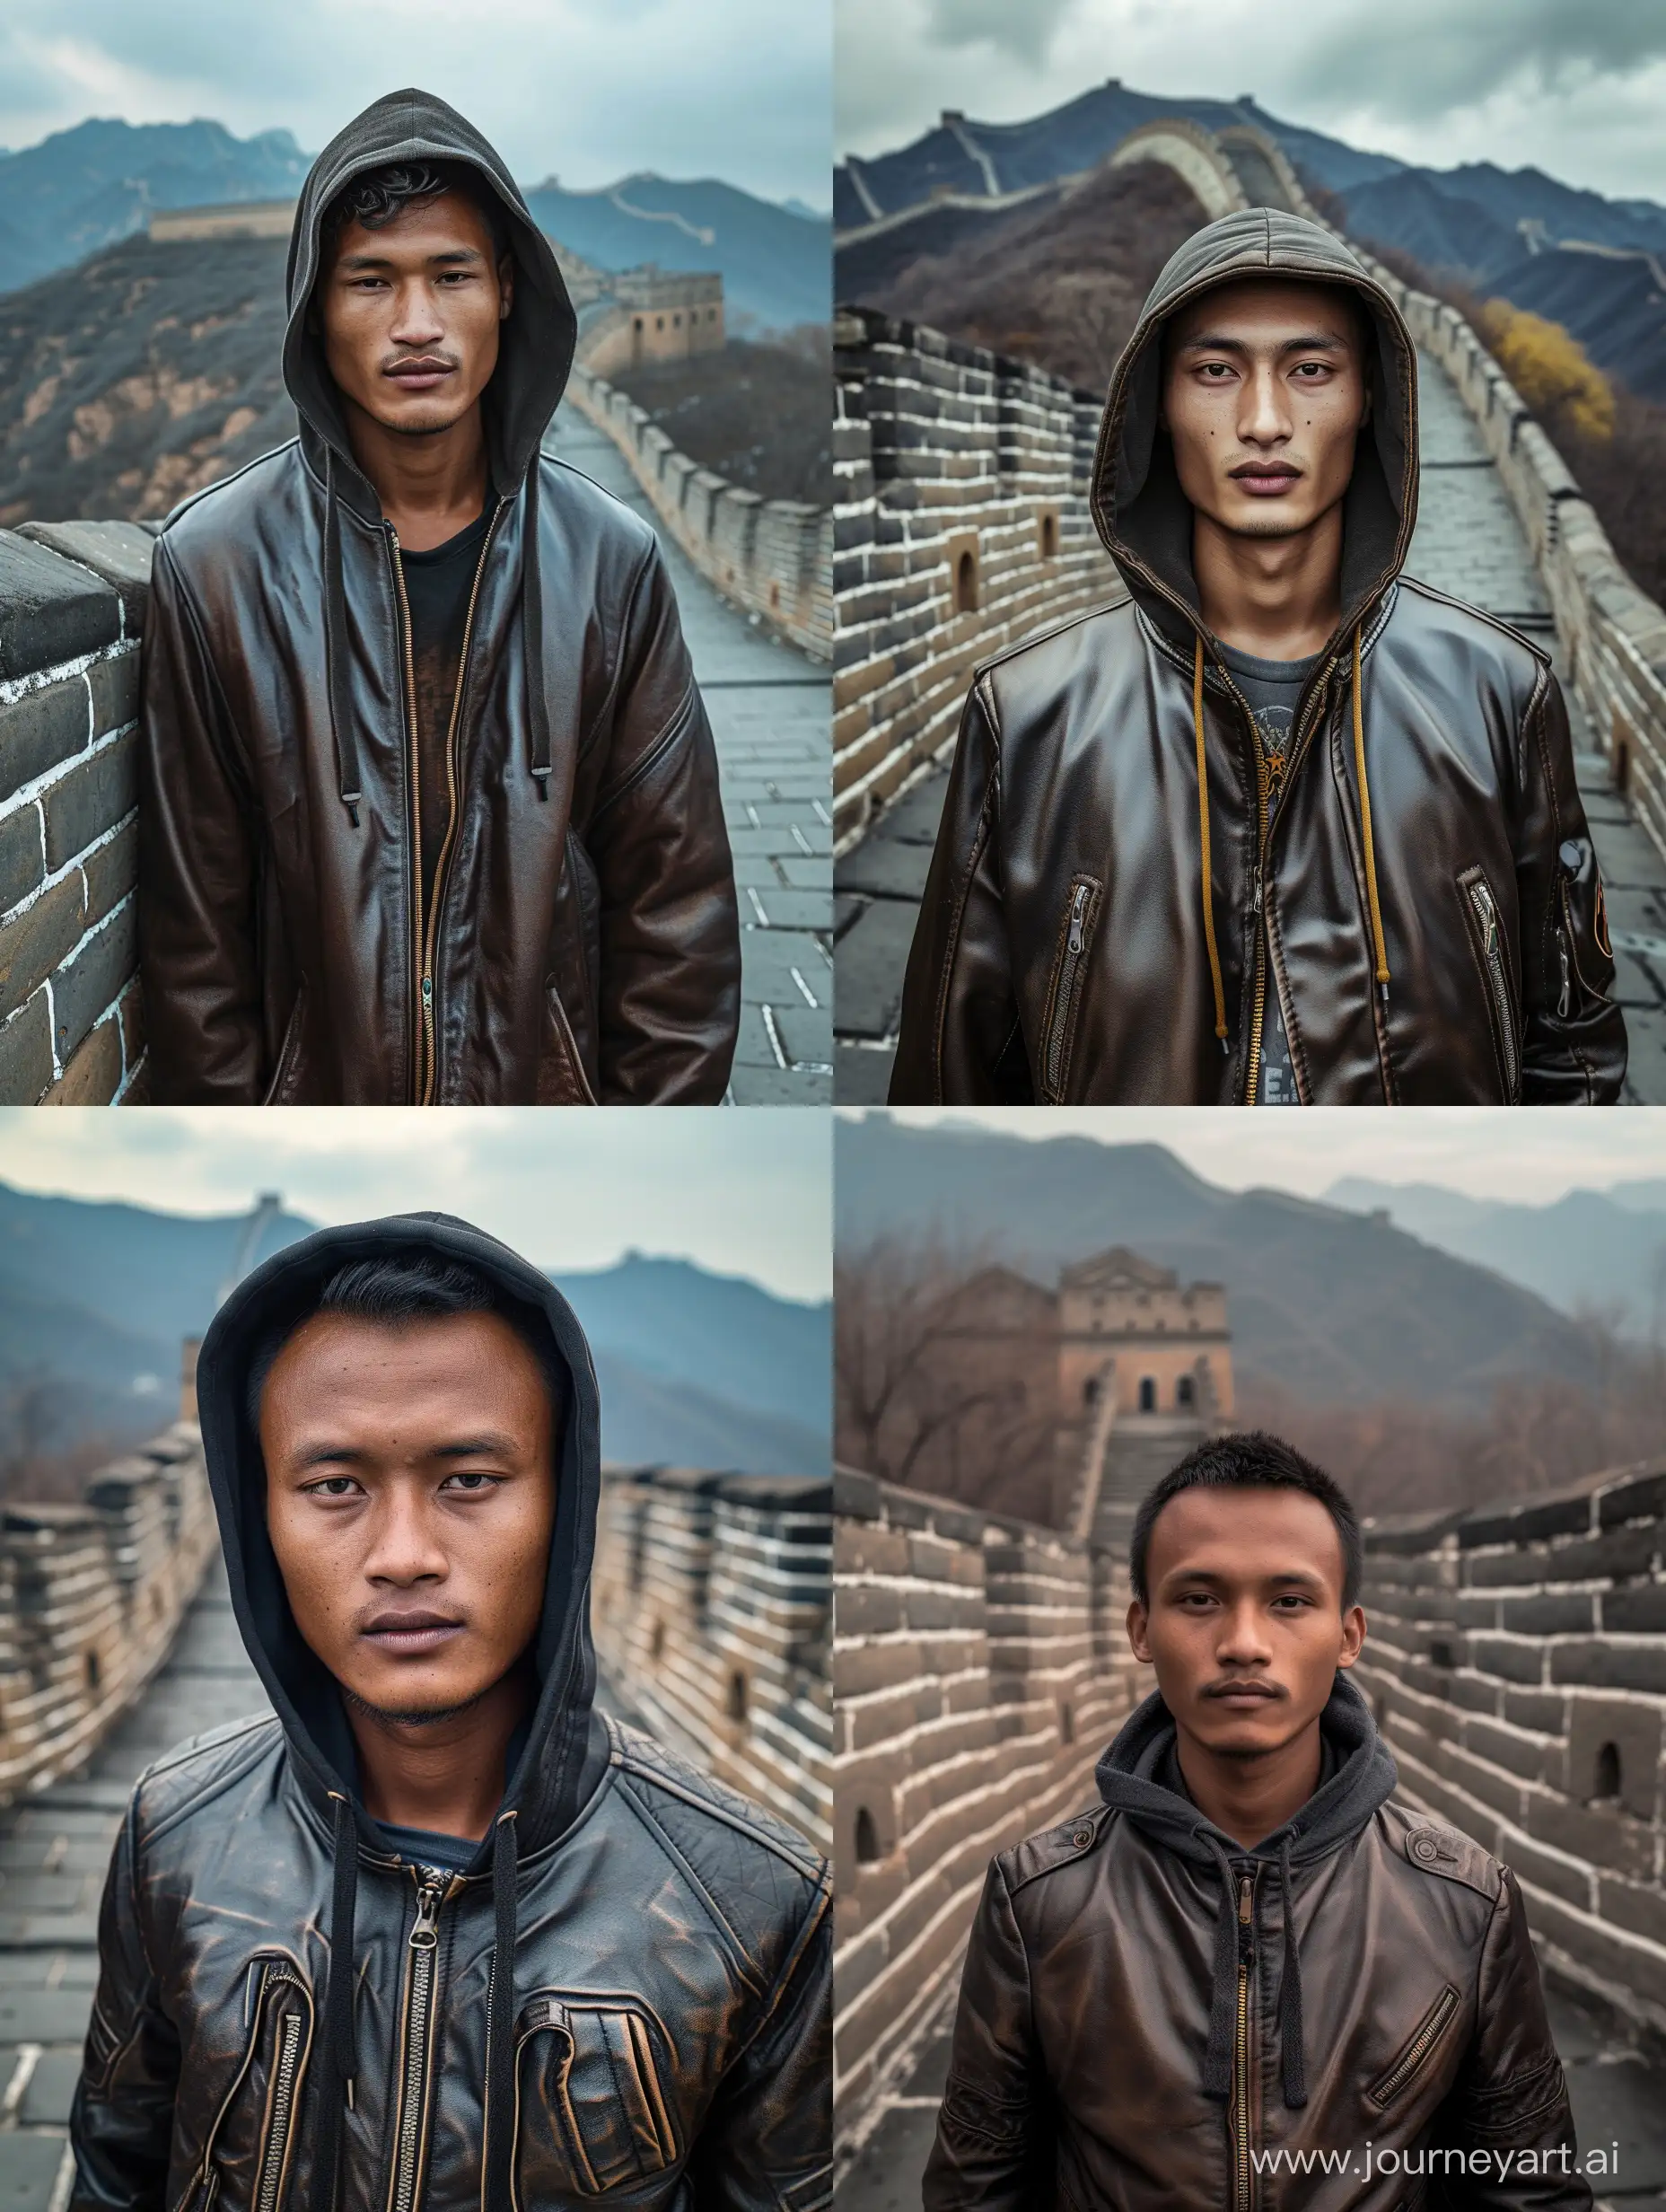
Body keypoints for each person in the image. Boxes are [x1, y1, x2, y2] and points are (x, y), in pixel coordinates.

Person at [69, 1214, 830, 2210]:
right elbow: (116, 2172)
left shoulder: (747, 1903)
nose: (402, 1553)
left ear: (565, 1500)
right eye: (334, 1484)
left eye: (468, 1480)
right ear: (257, 1515)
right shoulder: (176, 1835)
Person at [889, 207, 1626, 1105]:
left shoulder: (1499, 696)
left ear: (1367, 403)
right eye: (1213, 371)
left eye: (1309, 371)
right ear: (1154, 406)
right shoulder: (1029, 720)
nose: (1265, 421)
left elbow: (1575, 1053)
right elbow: (948, 1089)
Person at [138, 89, 741, 1105]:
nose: (416, 324)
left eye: (450, 275)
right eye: (370, 281)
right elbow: (196, 949)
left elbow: (674, 923)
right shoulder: (216, 568)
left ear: (504, 289)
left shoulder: (608, 563)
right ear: (315, 308)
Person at [922, 1433, 1590, 2211]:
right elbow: (977, 2191)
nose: (1243, 1644)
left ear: (1349, 1636)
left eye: (1290, 1601)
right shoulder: (1039, 1903)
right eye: (1199, 1599)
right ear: (1142, 1630)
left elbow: (1532, 2190)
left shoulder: (1466, 1905)